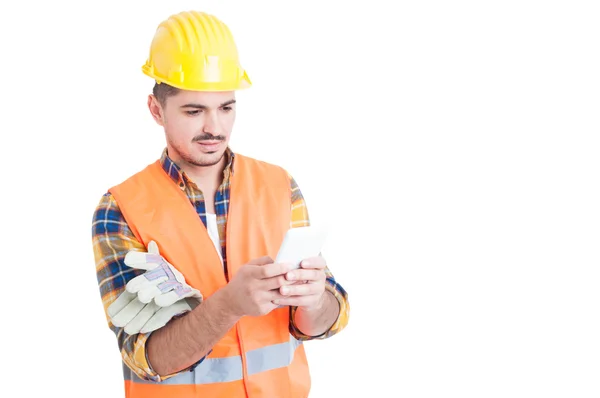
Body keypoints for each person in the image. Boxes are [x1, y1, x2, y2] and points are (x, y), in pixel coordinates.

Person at [91, 10, 350, 398]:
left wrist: (314, 300)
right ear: (156, 110)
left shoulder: (279, 186)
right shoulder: (122, 209)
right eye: (194, 111)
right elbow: (149, 358)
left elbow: (321, 321)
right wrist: (229, 304)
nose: (215, 127)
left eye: (226, 107)